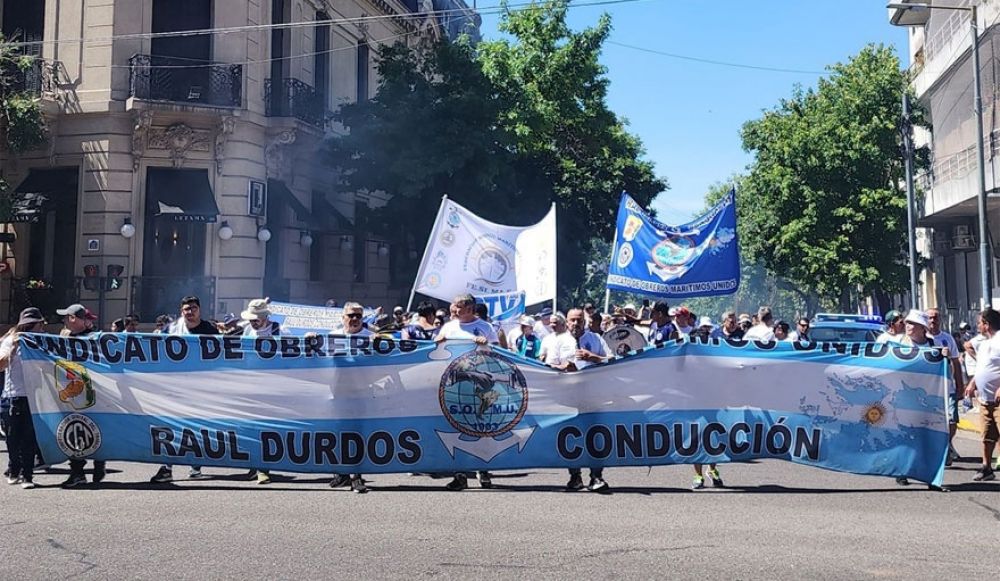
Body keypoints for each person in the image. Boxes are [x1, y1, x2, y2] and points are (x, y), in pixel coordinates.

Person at [150, 296, 220, 484]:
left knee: (196, 427)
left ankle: (195, 464)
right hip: (175, 388)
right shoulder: (171, 329)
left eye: (194, 308)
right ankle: (166, 468)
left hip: (200, 389)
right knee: (170, 426)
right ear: (181, 311)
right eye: (186, 309)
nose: (190, 312)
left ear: (200, 310)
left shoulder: (210, 331)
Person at [434, 293, 498, 491]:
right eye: (454, 307)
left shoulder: (485, 327)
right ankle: (459, 474)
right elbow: (436, 349)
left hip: (480, 382)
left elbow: (497, 351)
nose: (455, 311)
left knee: (480, 425)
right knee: (457, 426)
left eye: (459, 308)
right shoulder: (450, 326)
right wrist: (439, 340)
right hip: (456, 382)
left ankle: (483, 469)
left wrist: (485, 343)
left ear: (470, 309)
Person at [55, 303, 106, 488]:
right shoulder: (65, 338)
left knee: (93, 430)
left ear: (74, 318)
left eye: (66, 317)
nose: (64, 321)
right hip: (74, 394)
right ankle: (78, 471)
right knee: (76, 431)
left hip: (94, 393)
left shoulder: (95, 339)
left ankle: (98, 464)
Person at [325, 302, 372, 493]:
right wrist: (309, 339)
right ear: (343, 317)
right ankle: (342, 473)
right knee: (338, 433)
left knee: (357, 434)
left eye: (358, 316)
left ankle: (356, 476)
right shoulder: (332, 336)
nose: (354, 319)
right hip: (337, 391)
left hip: (362, 392)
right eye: (350, 316)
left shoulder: (371, 337)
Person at [564, 307, 611, 492]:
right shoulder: (557, 341)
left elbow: (612, 360)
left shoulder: (596, 339)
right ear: (566, 321)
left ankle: (596, 477)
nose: (576, 323)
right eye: (572, 320)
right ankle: (575, 477)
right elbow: (546, 365)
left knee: (595, 437)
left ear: (585, 321)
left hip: (594, 396)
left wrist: (594, 357)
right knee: (571, 437)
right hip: (568, 397)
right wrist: (562, 367)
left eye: (579, 320)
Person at [0, 308, 46, 489]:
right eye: (38, 324)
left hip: (34, 396)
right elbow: (1, 365)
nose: (41, 328)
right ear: (29, 325)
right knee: (12, 438)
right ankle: (14, 468)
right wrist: (14, 347)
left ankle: (28, 475)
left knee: (30, 438)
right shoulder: (10, 340)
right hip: (13, 396)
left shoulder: (41, 342)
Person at [926, 308, 967, 466]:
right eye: (930, 318)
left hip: (948, 387)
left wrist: (960, 386)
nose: (933, 321)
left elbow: (956, 362)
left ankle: (946, 443)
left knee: (952, 419)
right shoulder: (923, 339)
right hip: (930, 389)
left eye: (936, 317)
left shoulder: (947, 338)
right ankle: (939, 448)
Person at [967, 308, 1000, 482]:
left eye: (980, 322)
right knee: (987, 435)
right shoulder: (986, 343)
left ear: (986, 324)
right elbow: (982, 366)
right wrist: (973, 383)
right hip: (985, 399)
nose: (978, 326)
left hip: (999, 399)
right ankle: (986, 468)